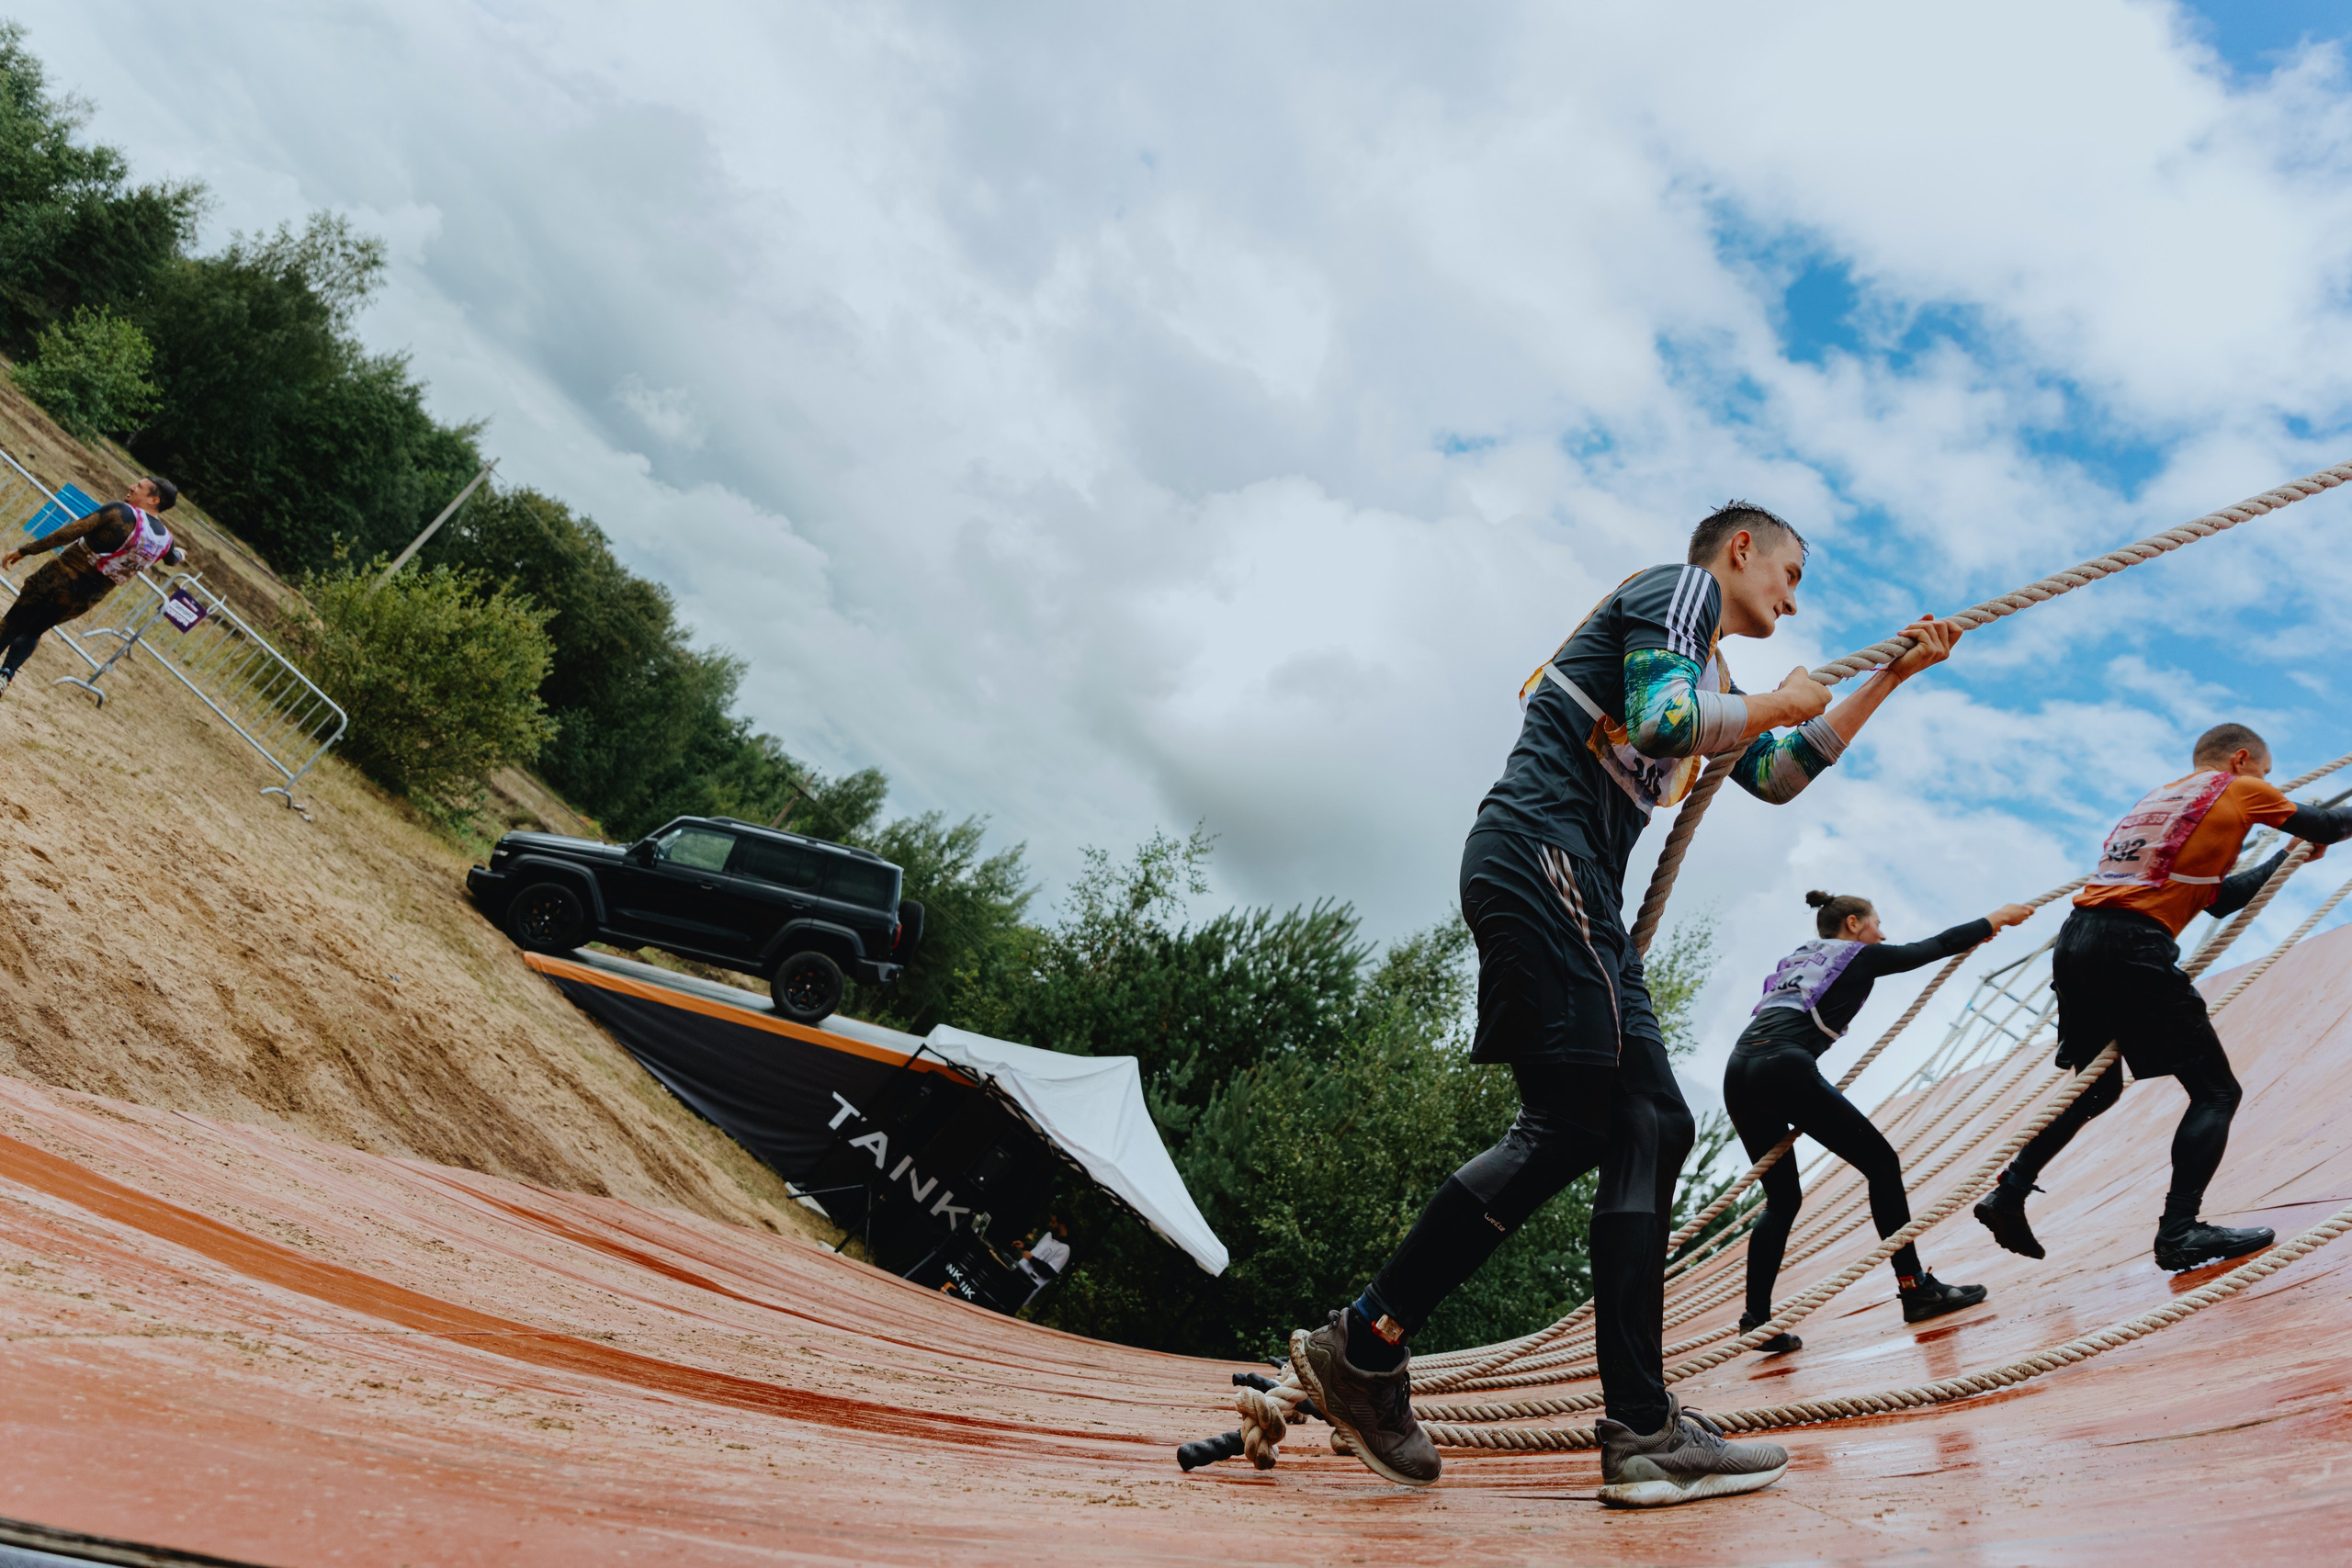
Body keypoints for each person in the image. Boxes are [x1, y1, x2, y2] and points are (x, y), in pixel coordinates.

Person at [1286, 501, 1964, 1509]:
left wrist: (1888, 678)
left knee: (1636, 1121)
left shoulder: (1712, 670)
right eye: (1790, 574)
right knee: (1607, 1119)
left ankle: (1405, 1355)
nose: (1793, 599)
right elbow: (1662, 722)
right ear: (1740, 550)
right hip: (1544, 854)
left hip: (1571, 883)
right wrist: (1780, 699)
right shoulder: (1676, 591)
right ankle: (1566, 1406)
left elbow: (1776, 773)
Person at [1973, 724, 2352, 1274]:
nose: (2269, 784)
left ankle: (2009, 1191)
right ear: (2241, 759)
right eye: (2266, 773)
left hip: (2077, 942)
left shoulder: (2163, 802)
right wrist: (2305, 831)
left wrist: (2283, 859)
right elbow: (2331, 825)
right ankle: (2179, 1231)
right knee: (2216, 1092)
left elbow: (2218, 900)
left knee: (2095, 1091)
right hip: (2133, 946)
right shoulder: (2240, 789)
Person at [1724, 888, 2034, 1354]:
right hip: (1783, 1066)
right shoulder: (1856, 954)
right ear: (1853, 924)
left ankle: (1756, 1319)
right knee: (1883, 1166)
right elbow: (1929, 948)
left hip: (1739, 1071)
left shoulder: (1801, 958)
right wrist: (1996, 918)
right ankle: (1915, 1288)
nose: (1882, 935)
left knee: (1782, 1199)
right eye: (1876, 924)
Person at [0, 475, 183, 694]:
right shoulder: (166, 540)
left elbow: (71, 532)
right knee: (34, 631)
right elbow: (172, 559)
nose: (131, 487)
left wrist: (26, 550)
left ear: (154, 500)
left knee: (13, 623)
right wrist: (181, 554)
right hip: (85, 598)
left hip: (58, 578)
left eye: (140, 486)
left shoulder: (120, 512)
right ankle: (5, 675)